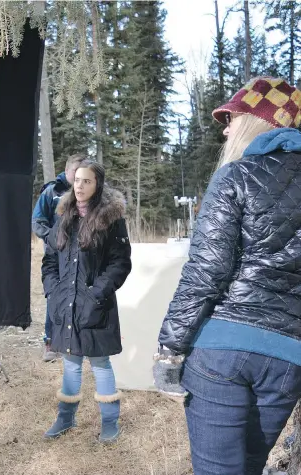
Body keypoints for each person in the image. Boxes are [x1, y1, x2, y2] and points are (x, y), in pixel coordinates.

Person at [155, 76, 301, 474]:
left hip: (223, 351)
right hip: (290, 359)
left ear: (258, 122)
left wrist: (169, 348)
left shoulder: (236, 175)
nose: (226, 127)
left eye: (232, 118)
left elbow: (207, 270)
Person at [41, 160, 132, 443]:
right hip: (64, 303)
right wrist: (53, 292)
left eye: (87, 181)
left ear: (98, 185)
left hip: (95, 306)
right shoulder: (63, 216)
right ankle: (65, 418)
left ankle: (109, 423)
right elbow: (49, 262)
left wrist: (96, 294)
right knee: (70, 362)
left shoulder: (111, 219)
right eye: (77, 180)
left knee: (100, 363)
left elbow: (120, 263)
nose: (79, 186)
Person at [32, 153, 87, 361]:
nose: (80, 178)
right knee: (55, 297)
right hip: (57, 257)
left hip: (83, 257)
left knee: (82, 298)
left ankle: (80, 343)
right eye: (77, 173)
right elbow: (37, 222)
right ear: (68, 171)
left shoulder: (88, 192)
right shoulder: (51, 192)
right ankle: (51, 343)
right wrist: (53, 240)